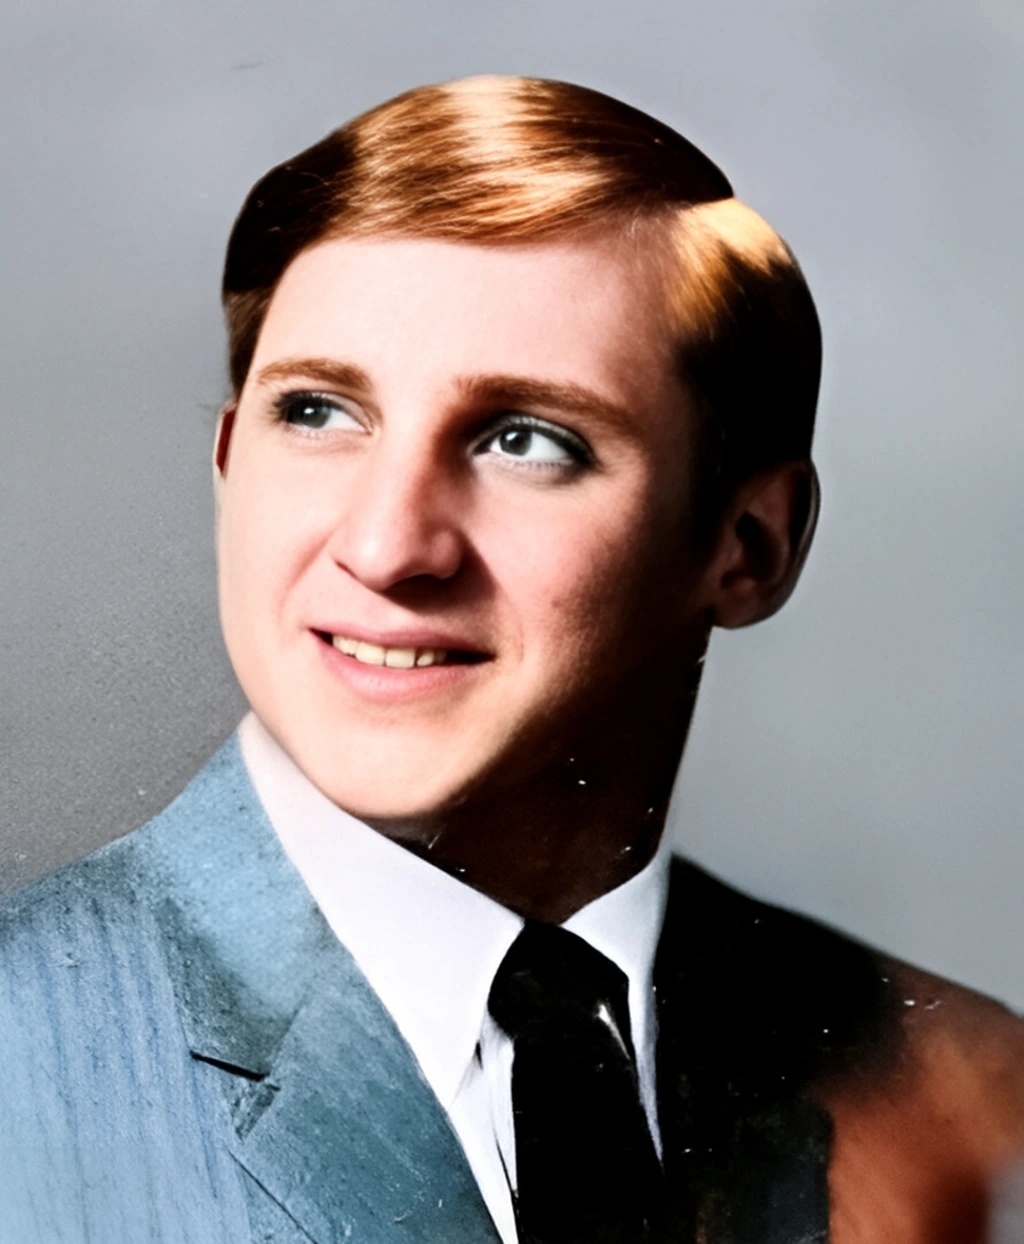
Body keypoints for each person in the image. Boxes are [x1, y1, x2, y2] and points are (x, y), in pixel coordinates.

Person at [1, 74, 1021, 1244]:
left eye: (527, 439)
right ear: (230, 463)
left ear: (749, 544)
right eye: (318, 412)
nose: (386, 546)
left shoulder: (969, 1086)